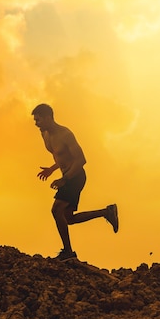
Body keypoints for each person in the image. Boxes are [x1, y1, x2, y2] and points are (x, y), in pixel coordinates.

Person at [32, 103, 119, 261]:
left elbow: (81, 160)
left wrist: (64, 179)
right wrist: (51, 169)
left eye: (38, 120)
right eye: (35, 121)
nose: (36, 124)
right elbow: (61, 156)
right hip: (66, 177)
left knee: (56, 210)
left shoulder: (65, 134)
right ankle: (107, 212)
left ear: (48, 117)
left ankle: (68, 252)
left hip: (75, 176)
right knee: (68, 218)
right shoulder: (44, 134)